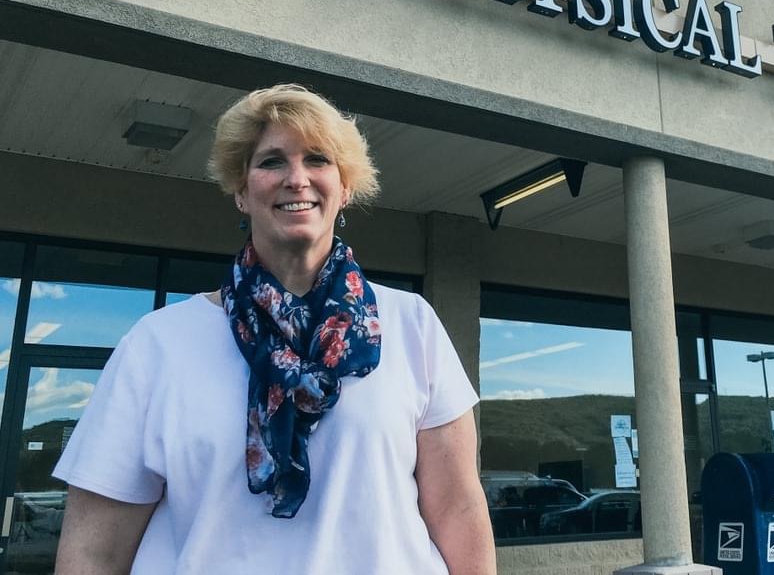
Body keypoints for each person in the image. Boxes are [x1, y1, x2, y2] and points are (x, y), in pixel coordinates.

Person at [53, 84, 497, 574]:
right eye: (270, 162)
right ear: (241, 192)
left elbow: (458, 510)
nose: (297, 179)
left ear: (345, 188)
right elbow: (94, 552)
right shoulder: (157, 344)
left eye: (318, 160)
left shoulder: (411, 324)